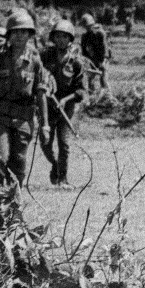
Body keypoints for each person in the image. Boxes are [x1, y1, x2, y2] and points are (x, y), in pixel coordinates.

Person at [0, 9, 50, 188]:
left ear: (30, 35)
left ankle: (14, 201)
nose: (19, 36)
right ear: (9, 35)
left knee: (19, 161)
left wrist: (45, 125)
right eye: (15, 32)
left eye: (24, 32)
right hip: (0, 115)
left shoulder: (35, 61)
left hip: (24, 117)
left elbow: (40, 94)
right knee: (0, 157)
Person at [40, 20, 87, 187]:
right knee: (45, 143)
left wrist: (65, 99)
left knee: (64, 144)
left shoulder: (76, 62)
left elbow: (81, 91)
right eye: (58, 36)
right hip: (48, 106)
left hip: (67, 108)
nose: (61, 40)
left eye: (64, 37)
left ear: (70, 39)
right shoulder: (45, 56)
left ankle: (63, 178)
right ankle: (55, 165)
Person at [80, 13, 110, 92]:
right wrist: (85, 62)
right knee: (90, 79)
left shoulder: (100, 33)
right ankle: (92, 96)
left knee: (103, 79)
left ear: (92, 24)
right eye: (86, 27)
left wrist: (104, 61)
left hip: (103, 58)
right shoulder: (85, 36)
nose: (88, 28)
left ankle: (107, 95)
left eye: (89, 26)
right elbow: (83, 51)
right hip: (92, 58)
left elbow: (105, 47)